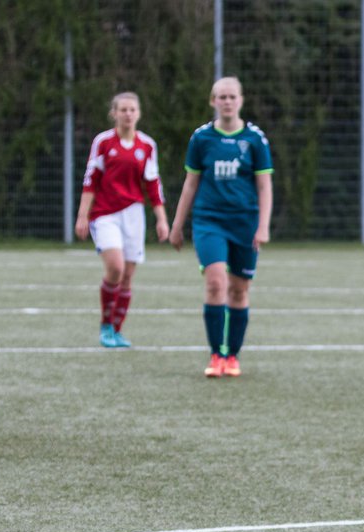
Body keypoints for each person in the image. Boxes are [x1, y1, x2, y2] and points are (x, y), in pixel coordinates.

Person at [169, 76, 273, 377]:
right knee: (216, 282)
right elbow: (191, 183)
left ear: (240, 100)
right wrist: (178, 225)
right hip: (209, 220)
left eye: (231, 96)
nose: (227, 102)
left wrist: (263, 226)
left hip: (245, 222)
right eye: (221, 97)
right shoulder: (201, 138)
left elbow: (264, 186)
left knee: (239, 290)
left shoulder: (255, 139)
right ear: (212, 101)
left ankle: (233, 356)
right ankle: (216, 355)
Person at [75, 92, 169, 348]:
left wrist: (161, 220)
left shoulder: (147, 145)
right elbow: (90, 180)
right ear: (114, 113)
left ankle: (117, 330)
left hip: (134, 215)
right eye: (123, 110)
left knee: (127, 276)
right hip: (105, 214)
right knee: (115, 267)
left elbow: (153, 184)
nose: (128, 114)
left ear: (138, 113)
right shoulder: (103, 142)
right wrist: (82, 216)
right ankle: (105, 327)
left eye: (132, 110)